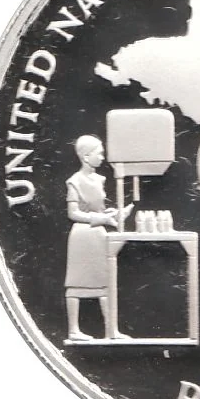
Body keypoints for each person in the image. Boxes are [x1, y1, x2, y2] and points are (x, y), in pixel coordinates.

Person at [65, 135, 132, 340]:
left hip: (98, 235)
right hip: (82, 236)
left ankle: (111, 330)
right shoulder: (74, 181)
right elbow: (73, 213)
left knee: (105, 282)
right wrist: (100, 218)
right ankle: (74, 330)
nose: (103, 157)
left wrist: (112, 214)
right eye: (99, 153)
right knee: (76, 283)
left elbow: (98, 209)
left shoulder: (99, 180)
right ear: (86, 156)